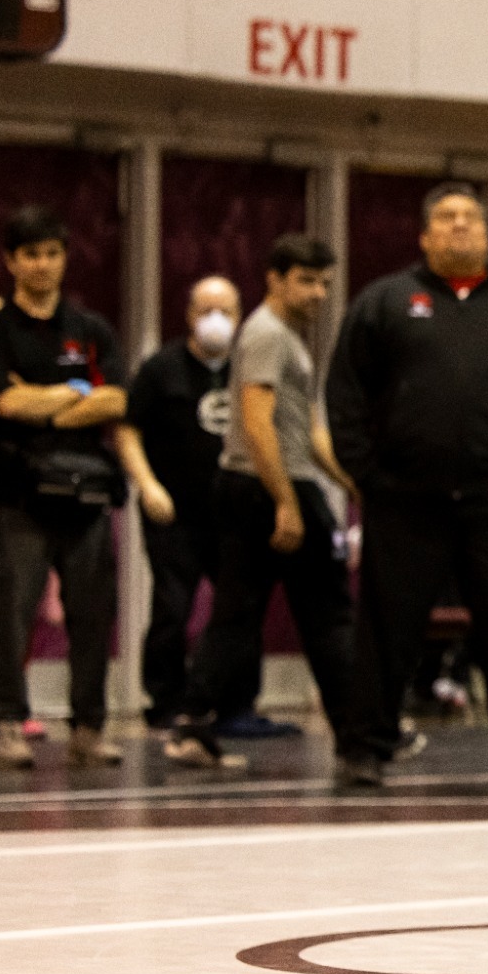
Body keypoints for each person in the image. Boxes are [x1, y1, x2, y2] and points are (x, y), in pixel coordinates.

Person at [326, 182, 488, 788]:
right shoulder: (386, 301)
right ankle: (365, 748)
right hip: (405, 493)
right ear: (425, 235)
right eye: (446, 217)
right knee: (389, 624)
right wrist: (366, 473)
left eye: (470, 217)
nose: (460, 225)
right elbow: (345, 393)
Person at [167, 236, 361, 773]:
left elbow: (308, 431)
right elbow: (255, 421)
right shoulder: (268, 335)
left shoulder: (290, 340)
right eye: (306, 280)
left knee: (241, 612)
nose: (318, 293)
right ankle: (356, 732)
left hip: (275, 484)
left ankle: (194, 723)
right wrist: (286, 502)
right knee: (326, 613)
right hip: (266, 486)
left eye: (325, 282)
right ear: (274, 279)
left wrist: (348, 483)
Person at [0, 206, 128, 770]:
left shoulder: (91, 329)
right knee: (10, 611)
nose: (42, 264)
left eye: (52, 253)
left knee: (93, 613)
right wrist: (77, 395)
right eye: (31, 254)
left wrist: (43, 402)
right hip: (16, 494)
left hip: (87, 494)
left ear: (64, 258)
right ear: (11, 262)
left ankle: (89, 727)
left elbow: (117, 399)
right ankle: (6, 722)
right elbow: (4, 401)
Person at [119, 276, 273, 732]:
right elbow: (128, 430)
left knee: (240, 610)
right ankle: (166, 701)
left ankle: (237, 705)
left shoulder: (249, 368)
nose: (216, 321)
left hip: (232, 512)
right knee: (173, 607)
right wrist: (147, 485)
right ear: (188, 315)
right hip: (175, 513)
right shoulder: (160, 368)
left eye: (226, 311)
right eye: (206, 310)